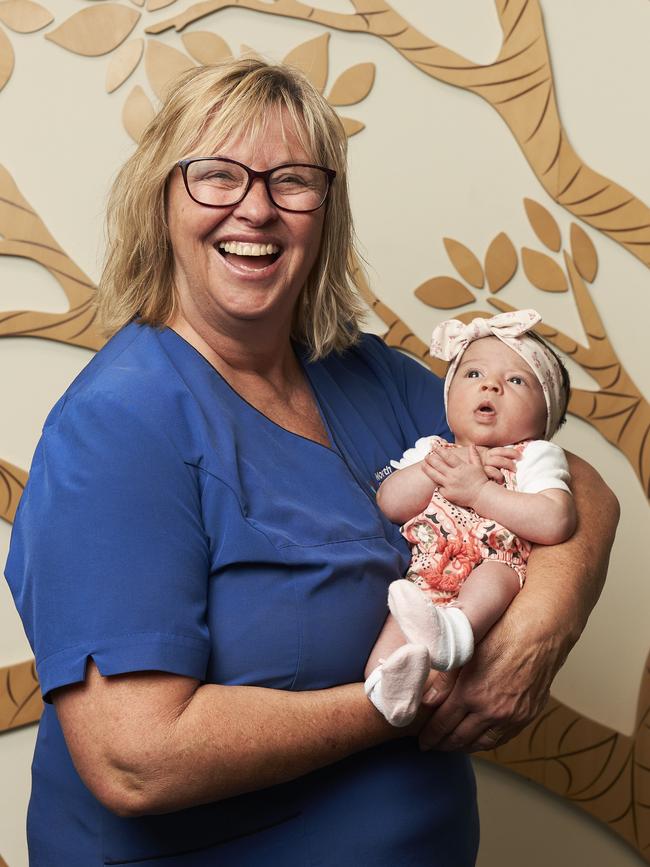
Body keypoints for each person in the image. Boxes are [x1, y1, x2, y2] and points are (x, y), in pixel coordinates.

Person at [4, 59, 618, 866]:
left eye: (292, 180)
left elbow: (584, 487)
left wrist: (535, 632)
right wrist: (399, 700)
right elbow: (137, 759)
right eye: (216, 176)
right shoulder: (118, 427)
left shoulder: (363, 373)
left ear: (324, 211)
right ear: (160, 199)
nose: (255, 208)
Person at [364, 310, 577, 727]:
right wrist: (443, 469)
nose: (491, 384)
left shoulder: (531, 455)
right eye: (473, 373)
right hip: (427, 573)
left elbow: (556, 521)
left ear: (545, 418)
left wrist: (480, 491)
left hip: (493, 566)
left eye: (516, 380)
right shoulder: (432, 451)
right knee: (399, 616)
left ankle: (456, 634)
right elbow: (391, 502)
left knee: (495, 575)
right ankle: (386, 688)